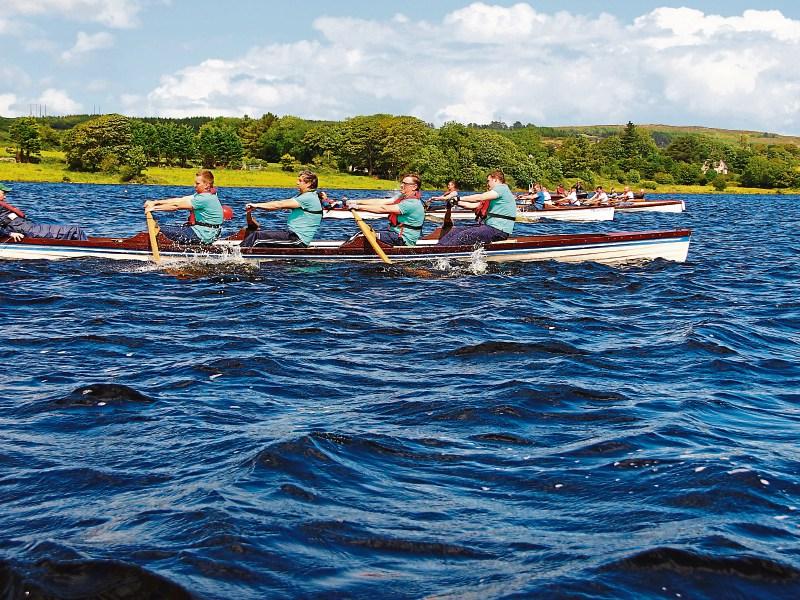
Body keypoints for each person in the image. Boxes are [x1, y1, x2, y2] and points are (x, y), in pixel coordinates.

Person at [242, 170, 323, 247]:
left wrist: (256, 205)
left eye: (300, 181)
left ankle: (238, 253)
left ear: (309, 183)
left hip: (297, 239)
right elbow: (276, 207)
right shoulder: (304, 196)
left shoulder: (308, 197)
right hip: (292, 235)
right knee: (256, 235)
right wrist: (255, 208)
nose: (297, 183)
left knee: (257, 236)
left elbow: (279, 204)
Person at [437, 169, 516, 246]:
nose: (487, 184)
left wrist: (459, 198)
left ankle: (442, 251)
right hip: (490, 228)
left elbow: (480, 197)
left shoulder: (502, 188)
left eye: (488, 181)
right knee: (454, 232)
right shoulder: (497, 194)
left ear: (495, 179)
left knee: (465, 235)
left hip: (498, 230)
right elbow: (475, 205)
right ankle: (437, 248)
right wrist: (456, 202)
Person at [144, 169, 223, 244]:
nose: (194, 186)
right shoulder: (204, 195)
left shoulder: (204, 198)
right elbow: (180, 200)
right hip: (205, 233)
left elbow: (176, 206)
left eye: (197, 184)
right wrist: (155, 202)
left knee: (159, 229)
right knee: (163, 228)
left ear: (206, 185)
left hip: (203, 235)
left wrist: (153, 208)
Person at [345, 173, 425, 246]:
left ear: (414, 187)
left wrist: (358, 207)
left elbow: (383, 208)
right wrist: (355, 202)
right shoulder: (402, 197)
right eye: (402, 183)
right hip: (393, 232)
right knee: (361, 235)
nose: (401, 185)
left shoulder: (412, 203)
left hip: (402, 238)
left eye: (405, 184)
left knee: (363, 237)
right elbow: (381, 202)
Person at [1, 182, 88, 242]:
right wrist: (10, 234)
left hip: (30, 227)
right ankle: (87, 253)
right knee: (74, 231)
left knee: (76, 231)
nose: (5, 197)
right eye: (3, 193)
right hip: (27, 230)